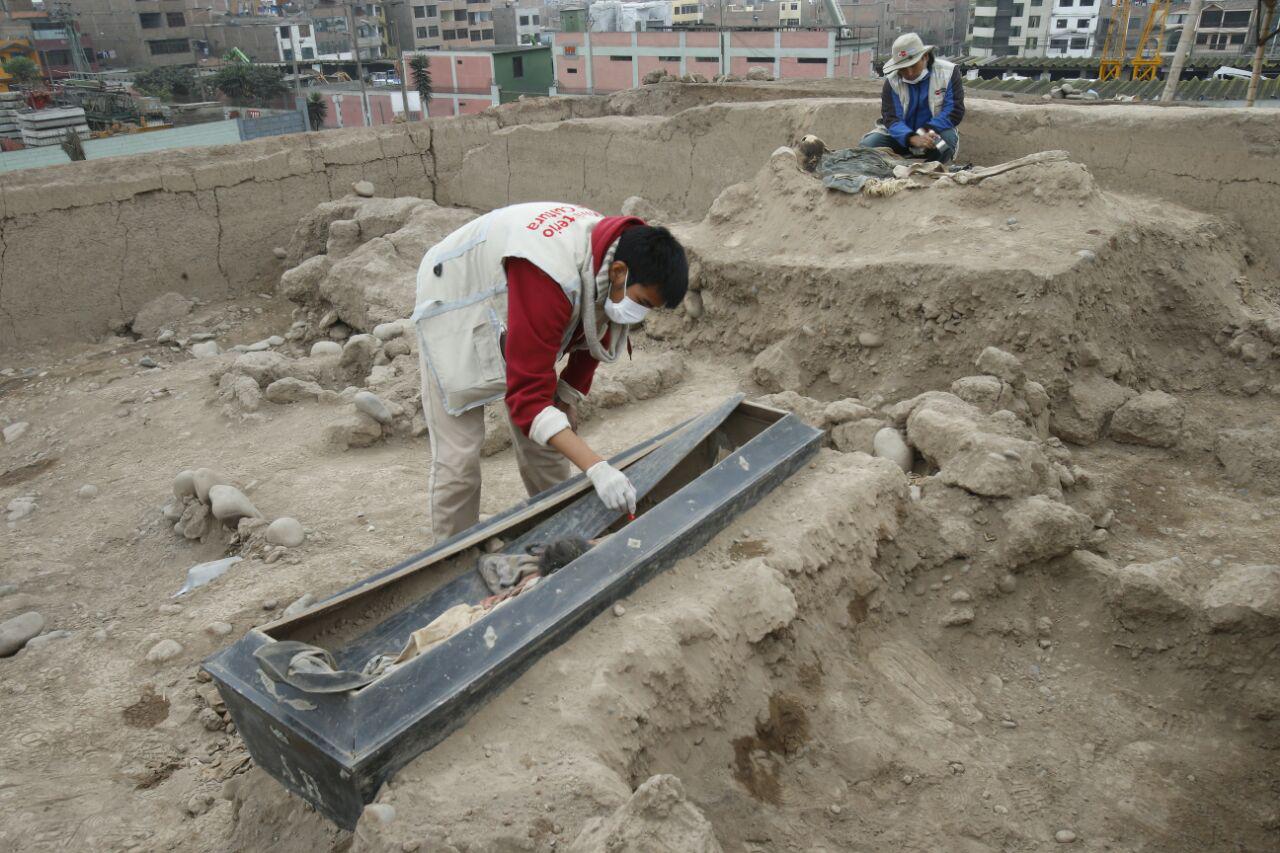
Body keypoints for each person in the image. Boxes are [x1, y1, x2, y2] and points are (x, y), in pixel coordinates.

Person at [411, 202, 689, 542]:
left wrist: (568, 393)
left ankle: (562, 530)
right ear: (618, 272)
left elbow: (599, 321)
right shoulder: (550, 273)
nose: (641, 314)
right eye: (643, 302)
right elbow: (526, 400)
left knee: (549, 432)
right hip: (455, 294)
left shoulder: (614, 254)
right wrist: (598, 468)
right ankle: (452, 559)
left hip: (513, 298)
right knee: (460, 457)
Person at [859, 32, 965, 164]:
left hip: (933, 132)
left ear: (925, 57)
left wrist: (924, 132)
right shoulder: (892, 82)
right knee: (868, 145)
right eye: (903, 69)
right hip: (900, 136)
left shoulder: (948, 73)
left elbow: (954, 112)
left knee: (945, 144)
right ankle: (888, 172)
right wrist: (911, 137)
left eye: (913, 66)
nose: (909, 73)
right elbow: (892, 119)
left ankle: (931, 173)